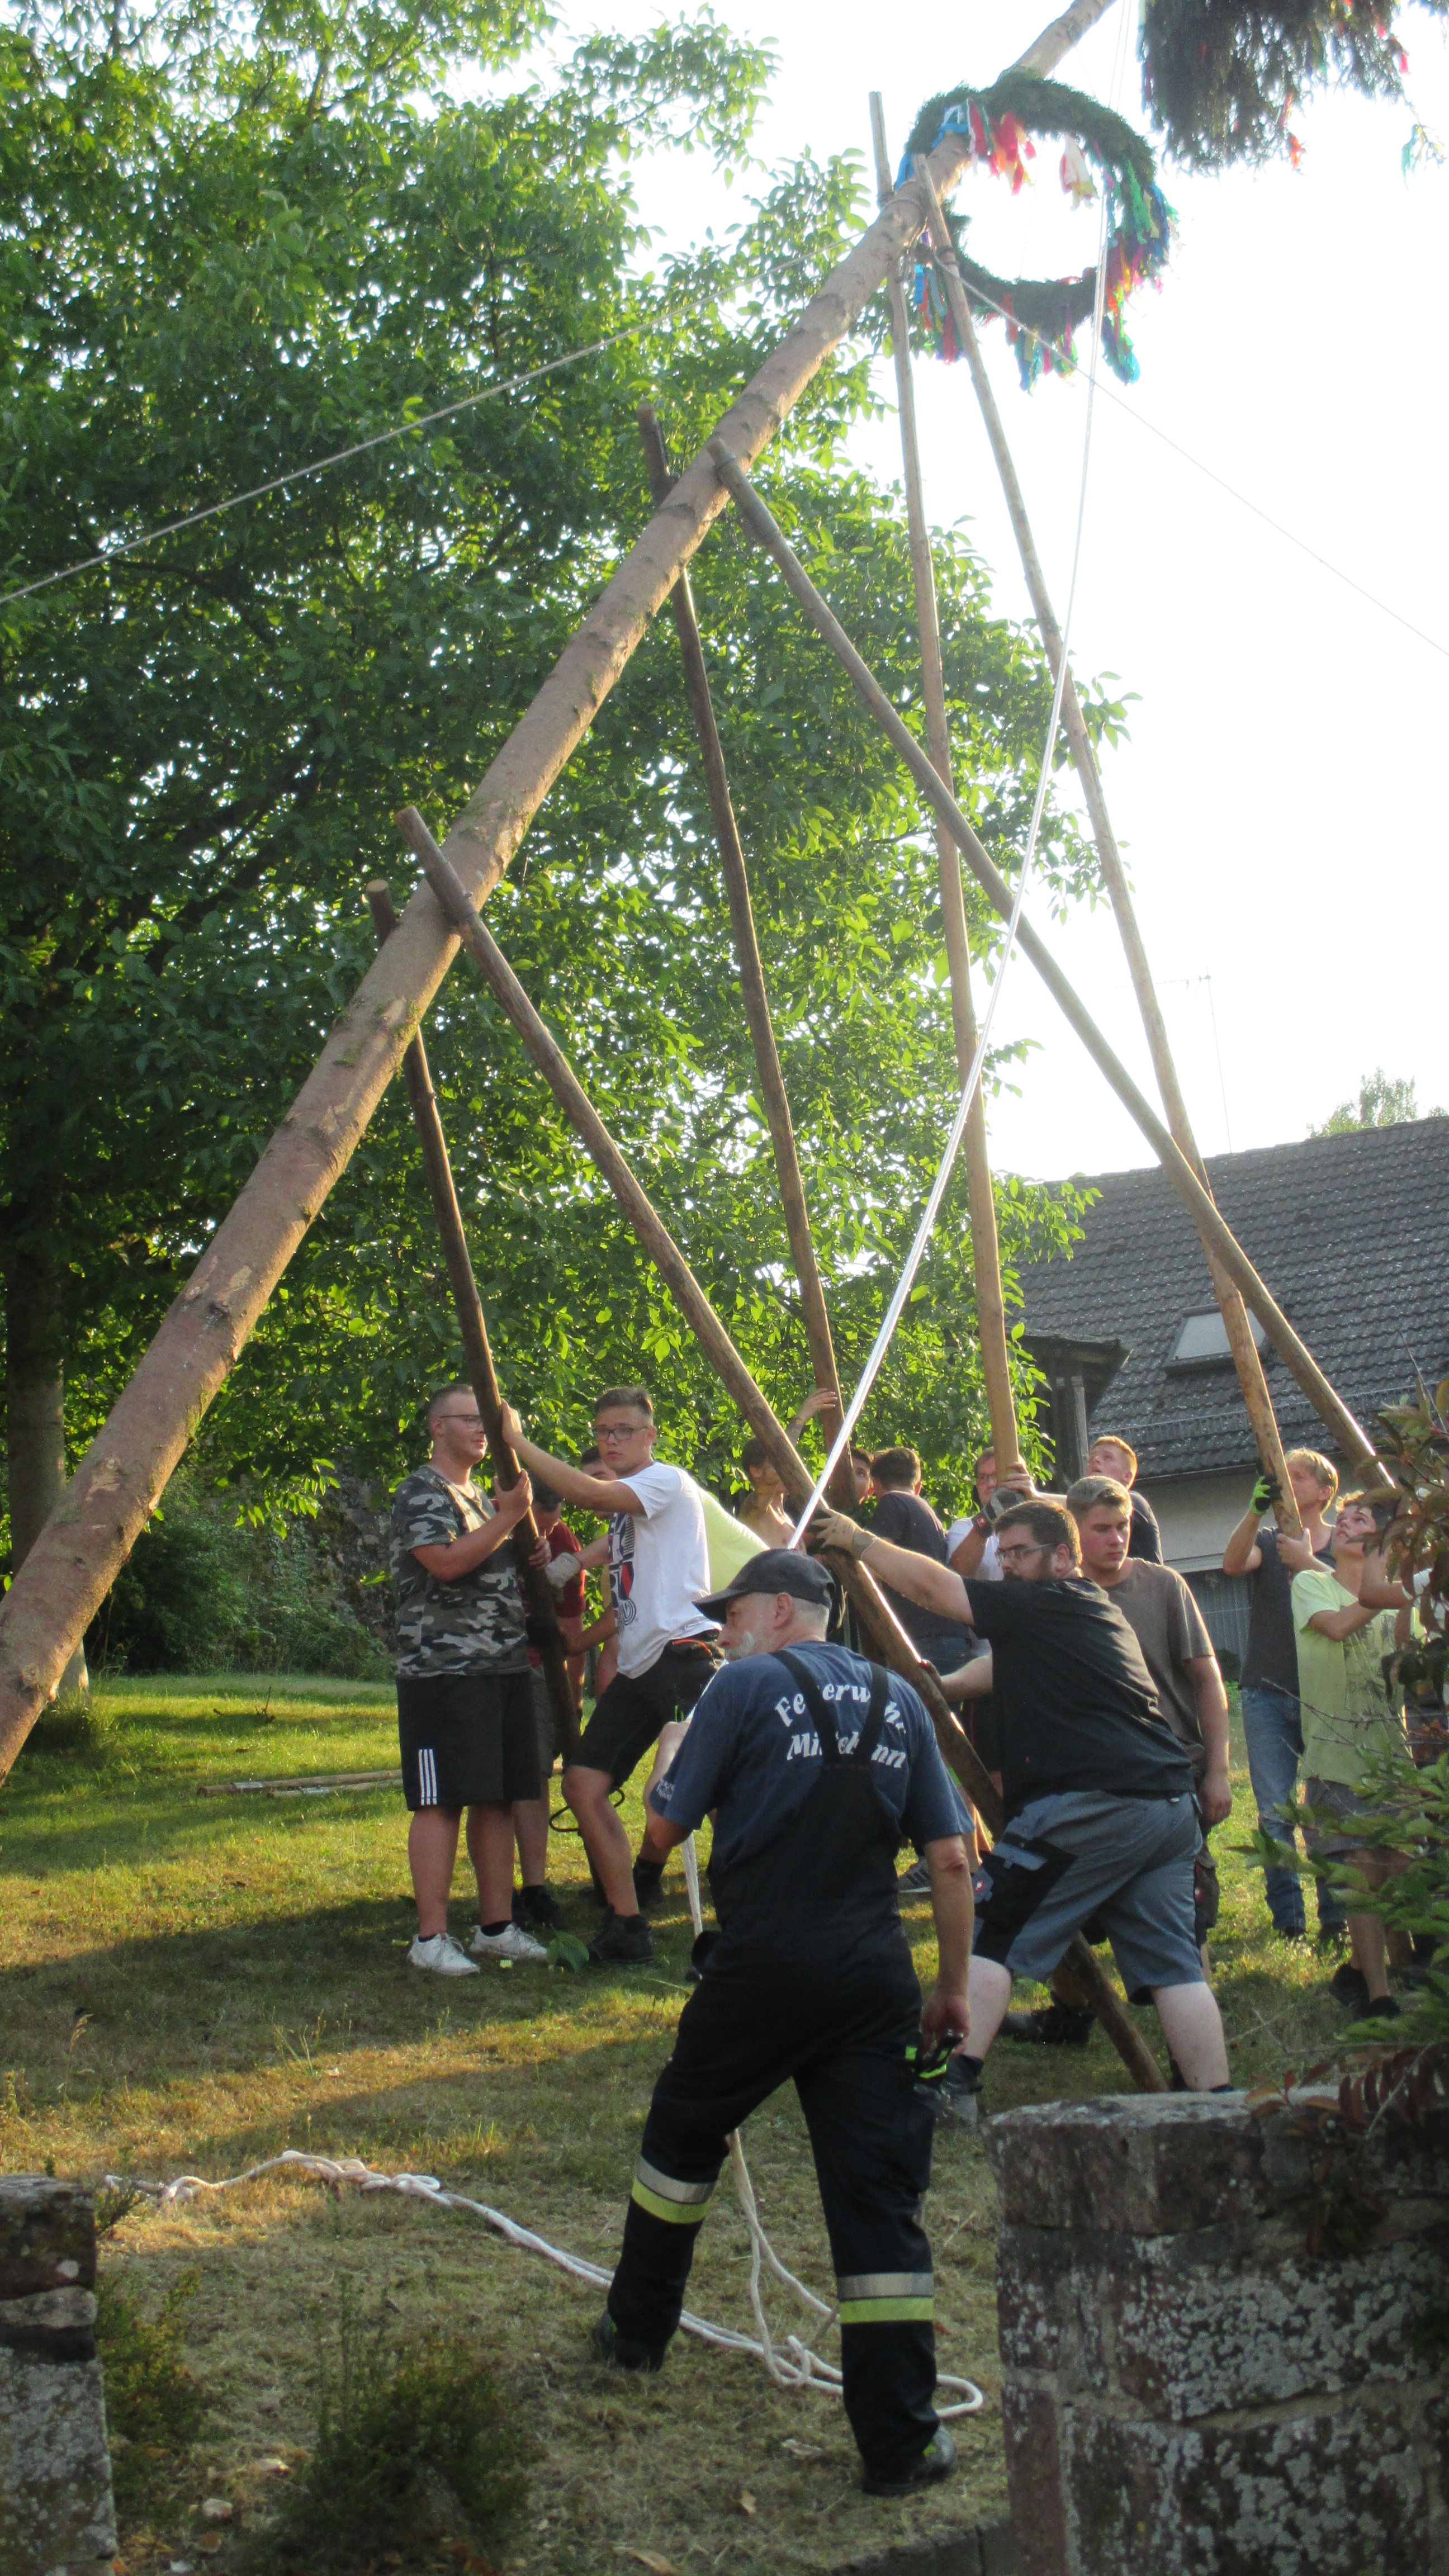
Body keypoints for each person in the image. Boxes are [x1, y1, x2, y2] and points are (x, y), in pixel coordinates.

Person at [591, 1549, 970, 2500]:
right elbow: (953, 1859)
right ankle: (903, 2444)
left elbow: (666, 1831)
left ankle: (635, 2334)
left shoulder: (742, 1685)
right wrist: (952, 1987)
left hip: (762, 1963)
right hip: (873, 1974)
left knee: (681, 2135)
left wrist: (664, 1779)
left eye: (731, 1612)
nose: (721, 1629)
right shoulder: (900, 1698)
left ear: (775, 1609)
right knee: (876, 2196)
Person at [809, 1498, 1233, 2114]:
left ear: (1064, 1557)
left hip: (1092, 1803)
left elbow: (937, 1587)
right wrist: (947, 1689)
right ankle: (1218, 2102)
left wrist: (860, 1541)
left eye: (1020, 1554)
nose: (1007, 1567)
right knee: (1175, 1967)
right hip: (1166, 1808)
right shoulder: (1088, 1610)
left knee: (992, 1932)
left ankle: (949, 2086)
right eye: (1001, 1555)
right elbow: (1002, 1668)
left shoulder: (1047, 1601)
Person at [998, 1476, 1232, 2056]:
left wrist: (1220, 1770)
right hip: (1085, 1782)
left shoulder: (1162, 1587)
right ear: (1070, 1536)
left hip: (1167, 1773)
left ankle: (1191, 2056)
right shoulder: (1049, 1599)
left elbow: (1207, 1680)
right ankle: (1071, 2013)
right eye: (1100, 1528)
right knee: (1067, 1914)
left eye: (1123, 1526)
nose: (1116, 1538)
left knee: (1184, 1916)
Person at [499, 1386, 720, 1966]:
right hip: (640, 1665)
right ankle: (627, 1923)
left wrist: (516, 1443)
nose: (612, 1441)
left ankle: (755, 1908)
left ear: (651, 1436)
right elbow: (609, 1537)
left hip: (684, 1657)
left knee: (711, 1792)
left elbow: (589, 1491)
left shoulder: (665, 1481)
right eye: (603, 1432)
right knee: (582, 1785)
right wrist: (570, 1561)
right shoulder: (627, 1515)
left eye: (624, 1431)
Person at [389, 1385, 551, 1974]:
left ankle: (495, 1926)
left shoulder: (481, 1496)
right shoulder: (421, 1491)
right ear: (436, 1427)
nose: (483, 1429)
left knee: (498, 1796)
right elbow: (447, 1561)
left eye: (489, 1420)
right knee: (440, 1800)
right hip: (442, 1672)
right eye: (469, 1419)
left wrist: (521, 1549)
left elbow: (487, 1558)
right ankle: (430, 1939)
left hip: (501, 1667)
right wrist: (509, 1520)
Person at [1292, 1494, 1418, 2020]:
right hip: (1335, 1757)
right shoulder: (1309, 1584)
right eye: (1340, 1520)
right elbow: (1338, 1627)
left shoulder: (1398, 1595)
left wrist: (1404, 1589)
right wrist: (1386, 1591)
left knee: (1402, 1870)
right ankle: (1378, 1997)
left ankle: (1405, 1974)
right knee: (1361, 1871)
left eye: (1359, 1520)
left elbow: (1412, 1660)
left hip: (1393, 1757)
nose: (1343, 1525)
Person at [1222, 1448, 1346, 1942]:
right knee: (1275, 1812)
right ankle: (1289, 1920)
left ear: (1324, 1490)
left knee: (1326, 1811)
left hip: (1326, 1695)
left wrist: (1309, 1562)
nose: (1288, 1483)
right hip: (1265, 1692)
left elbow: (1357, 1600)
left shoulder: (1347, 1542)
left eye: (1299, 1476)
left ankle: (1336, 1917)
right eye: (1283, 1476)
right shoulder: (1269, 1543)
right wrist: (1254, 1511)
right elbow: (1233, 1563)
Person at [512, 1477, 586, 1934]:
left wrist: (571, 1701)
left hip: (538, 1672)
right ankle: (499, 1893)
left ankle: (534, 1887)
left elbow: (571, 1629)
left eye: (551, 1522)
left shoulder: (563, 1541)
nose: (544, 1532)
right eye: (537, 1522)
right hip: (485, 1667)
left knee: (535, 1773)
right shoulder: (488, 1526)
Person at [866, 1448, 976, 1679]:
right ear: (917, 1484)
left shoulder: (892, 1502)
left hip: (925, 1636)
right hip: (952, 1633)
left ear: (875, 1483)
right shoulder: (928, 1513)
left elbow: (876, 1565)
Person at [736, 1391, 840, 1544]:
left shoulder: (786, 1516)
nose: (788, 1468)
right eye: (776, 1463)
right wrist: (801, 1418)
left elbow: (782, 1454)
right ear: (756, 1471)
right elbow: (781, 1456)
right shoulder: (754, 1511)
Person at [1086, 1435, 1163, 1564]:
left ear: (1127, 1477)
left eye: (1107, 1458)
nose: (1096, 1460)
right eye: (1091, 1459)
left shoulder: (1135, 1502)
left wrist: (1040, 1498)